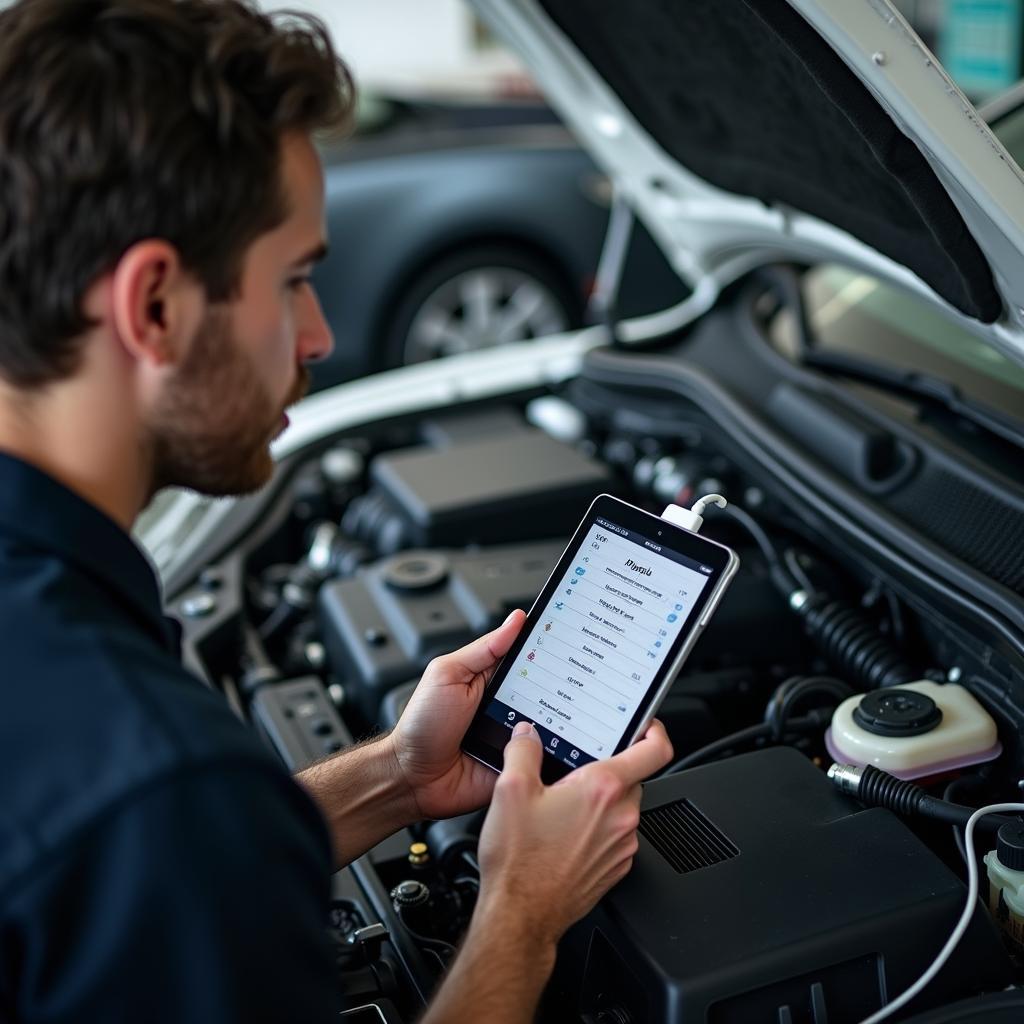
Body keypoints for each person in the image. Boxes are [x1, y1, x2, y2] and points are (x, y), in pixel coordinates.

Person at [0, 1, 674, 1021]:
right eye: (297, 278)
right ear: (153, 307)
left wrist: (400, 781)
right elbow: (161, 831)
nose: (317, 336)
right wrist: (523, 911)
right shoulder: (150, 781)